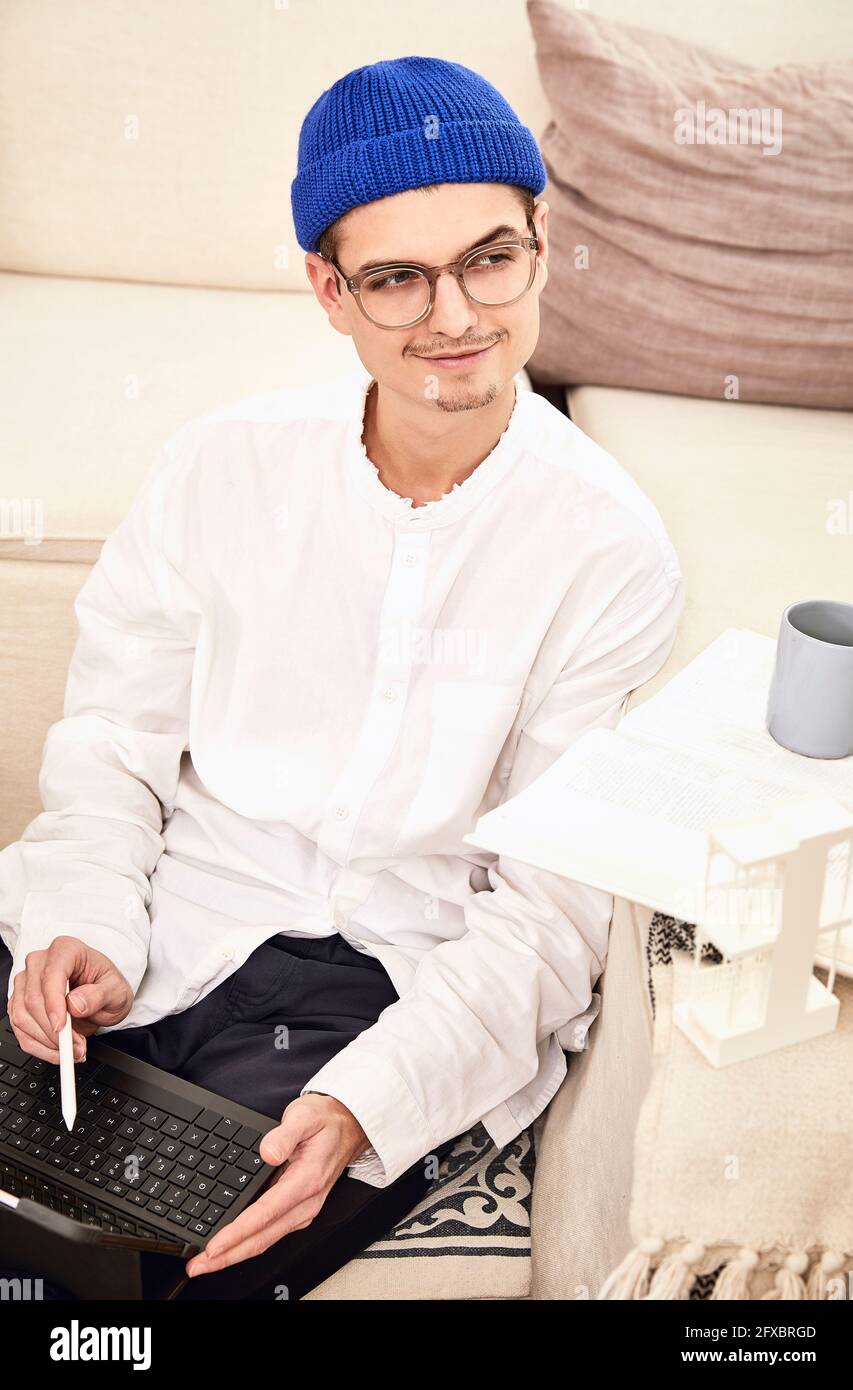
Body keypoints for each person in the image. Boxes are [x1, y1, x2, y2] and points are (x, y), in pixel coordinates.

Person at [0, 55, 684, 1299]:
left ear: (541, 240)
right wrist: (82, 923)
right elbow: (111, 739)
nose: (456, 314)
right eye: (395, 277)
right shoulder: (220, 467)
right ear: (328, 290)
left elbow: (549, 913)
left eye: (490, 256)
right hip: (174, 913)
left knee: (180, 1266)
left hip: (378, 984)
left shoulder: (611, 552)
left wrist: (365, 1104)